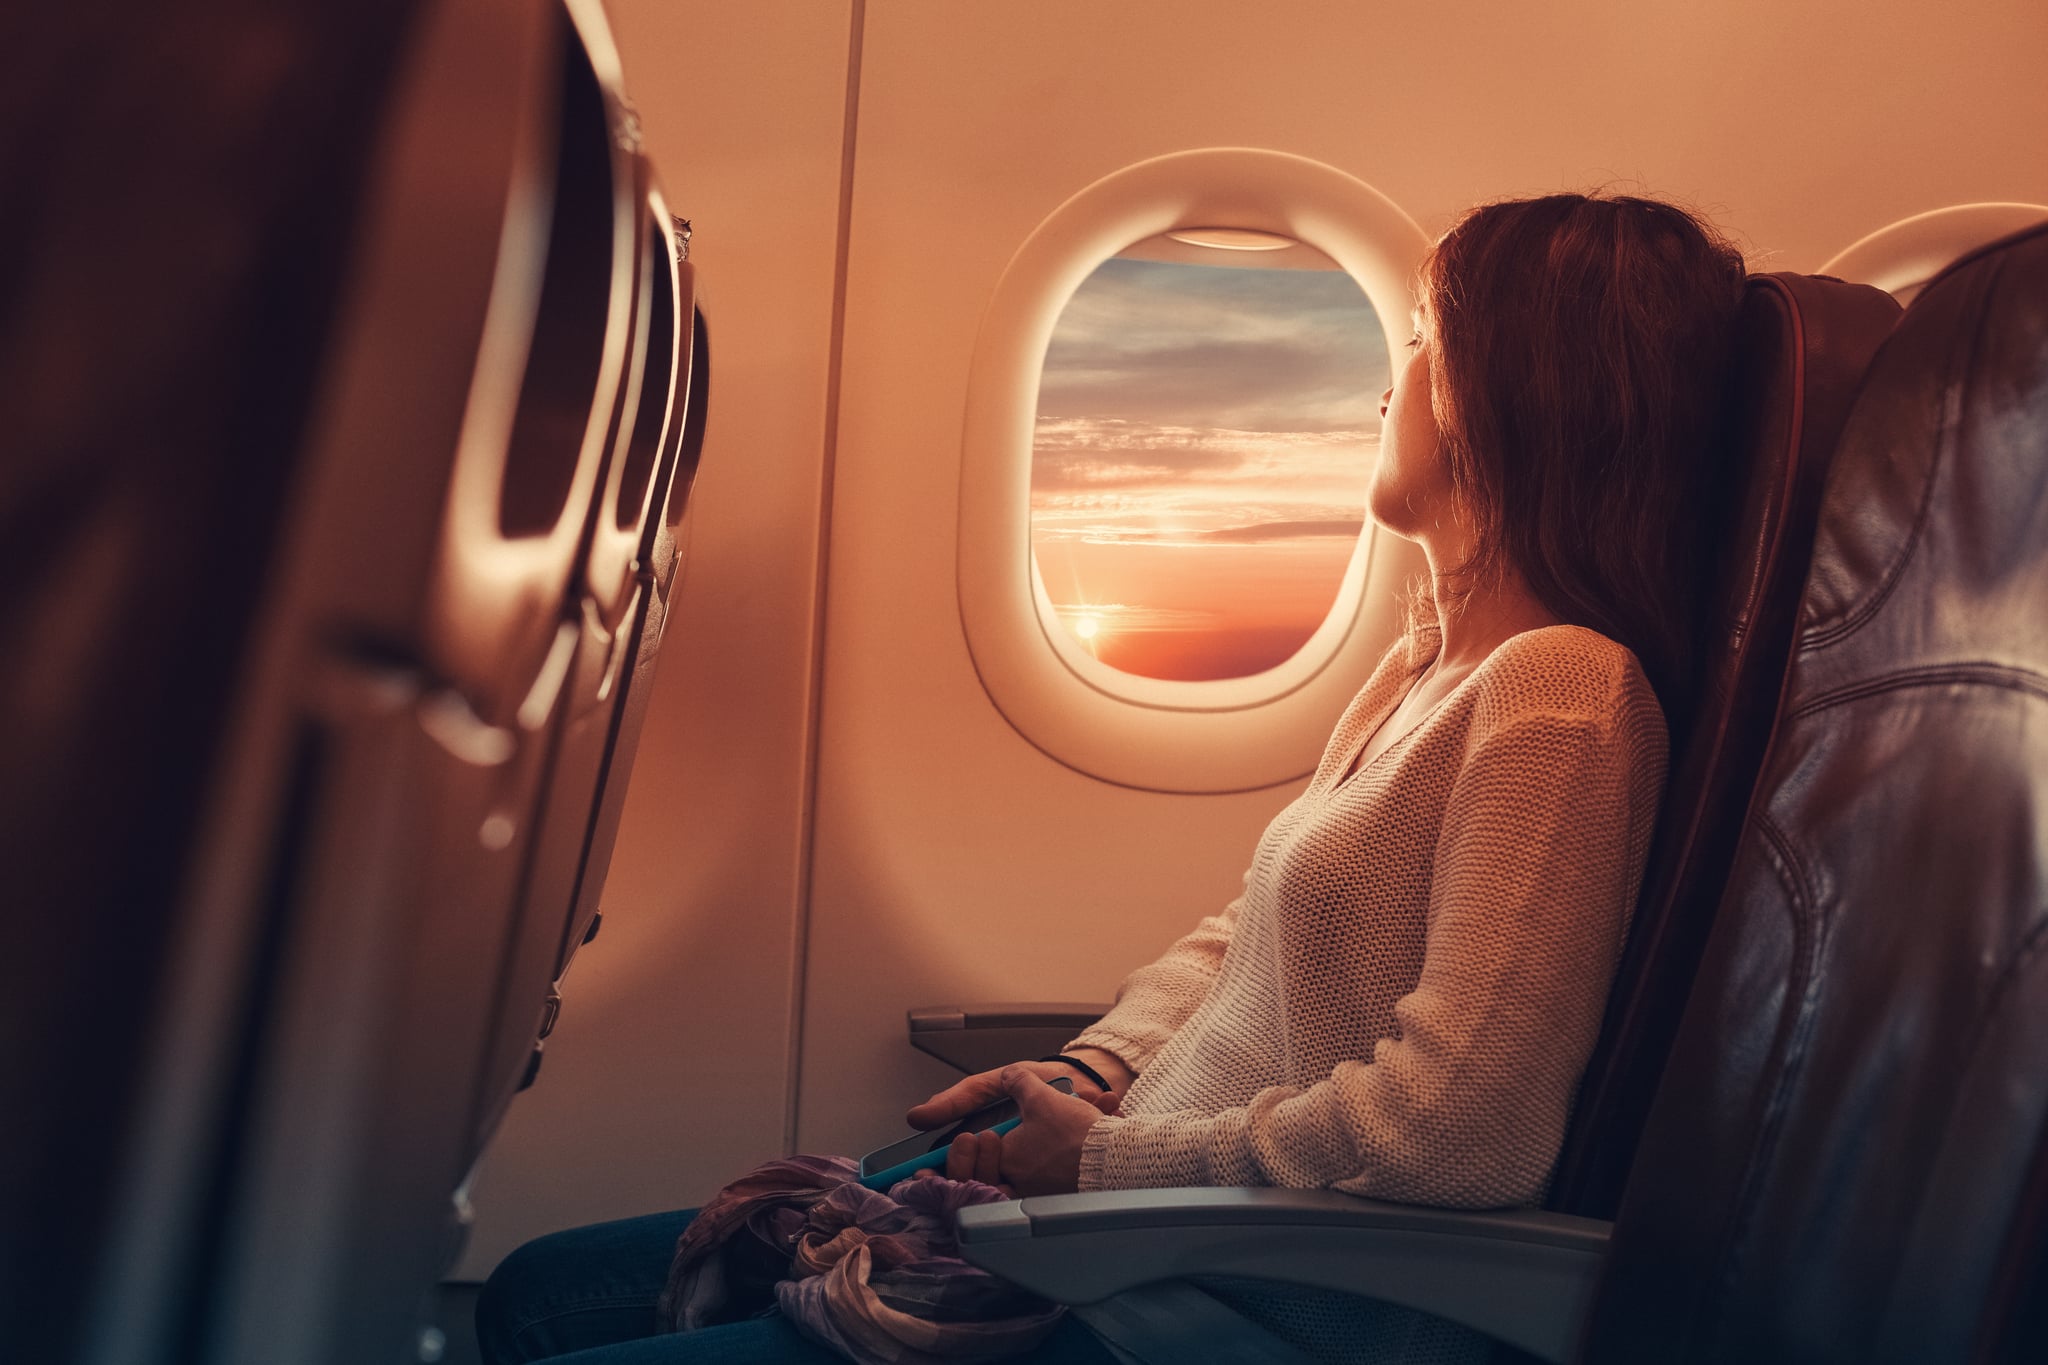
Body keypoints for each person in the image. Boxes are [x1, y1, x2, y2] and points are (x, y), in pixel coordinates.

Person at [475, 192, 1747, 1365]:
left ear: (1509, 389)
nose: (1387, 381)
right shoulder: (1423, 670)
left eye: (1416, 340)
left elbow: (1459, 1132)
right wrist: (1097, 1070)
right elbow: (1248, 938)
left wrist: (1104, 1164)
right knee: (537, 1288)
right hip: (1131, 1224)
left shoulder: (1562, 697)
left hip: (1225, 1298)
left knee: (545, 1315)